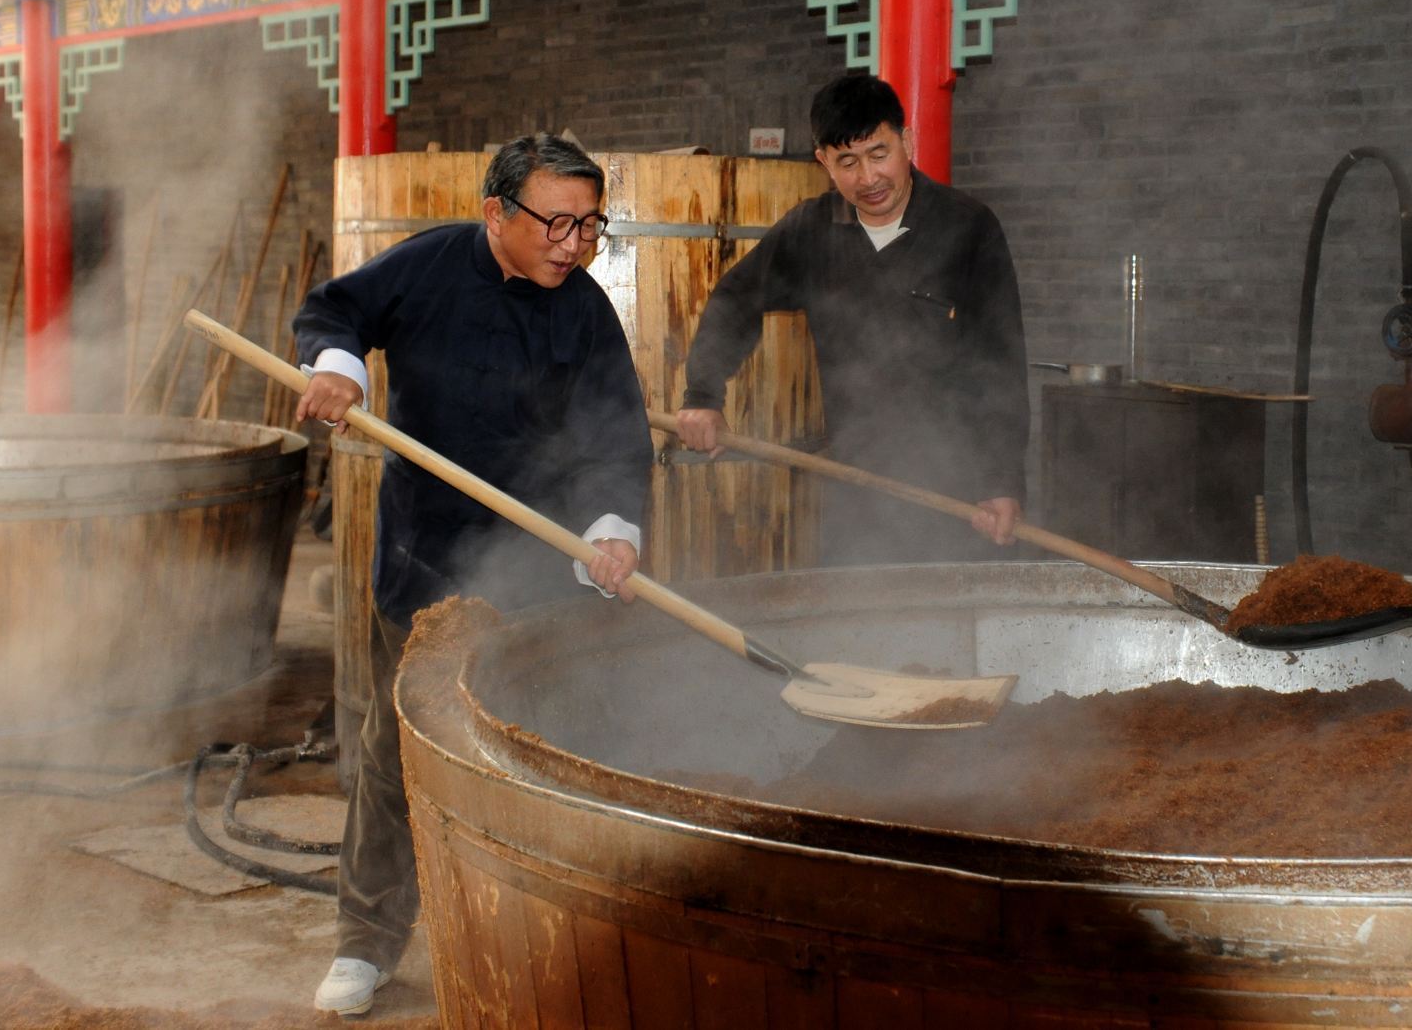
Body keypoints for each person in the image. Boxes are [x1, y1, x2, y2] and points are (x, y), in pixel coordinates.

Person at [293, 133, 653, 1016]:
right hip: (424, 557)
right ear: (497, 213)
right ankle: (366, 944)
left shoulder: (585, 310)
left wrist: (611, 529)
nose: (573, 244)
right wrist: (338, 371)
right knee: (392, 751)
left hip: (539, 566)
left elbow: (617, 430)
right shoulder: (428, 267)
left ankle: (538, 925)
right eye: (555, 223)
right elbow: (334, 313)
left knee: (542, 746)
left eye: (589, 225)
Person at [677, 74, 1028, 565]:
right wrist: (703, 396)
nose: (868, 178)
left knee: (945, 628)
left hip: (957, 491)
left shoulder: (968, 227)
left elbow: (1001, 362)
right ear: (823, 162)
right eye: (848, 161)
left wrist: (1001, 481)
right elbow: (736, 298)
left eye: (878, 154)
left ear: (906, 142)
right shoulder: (811, 231)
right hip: (854, 483)